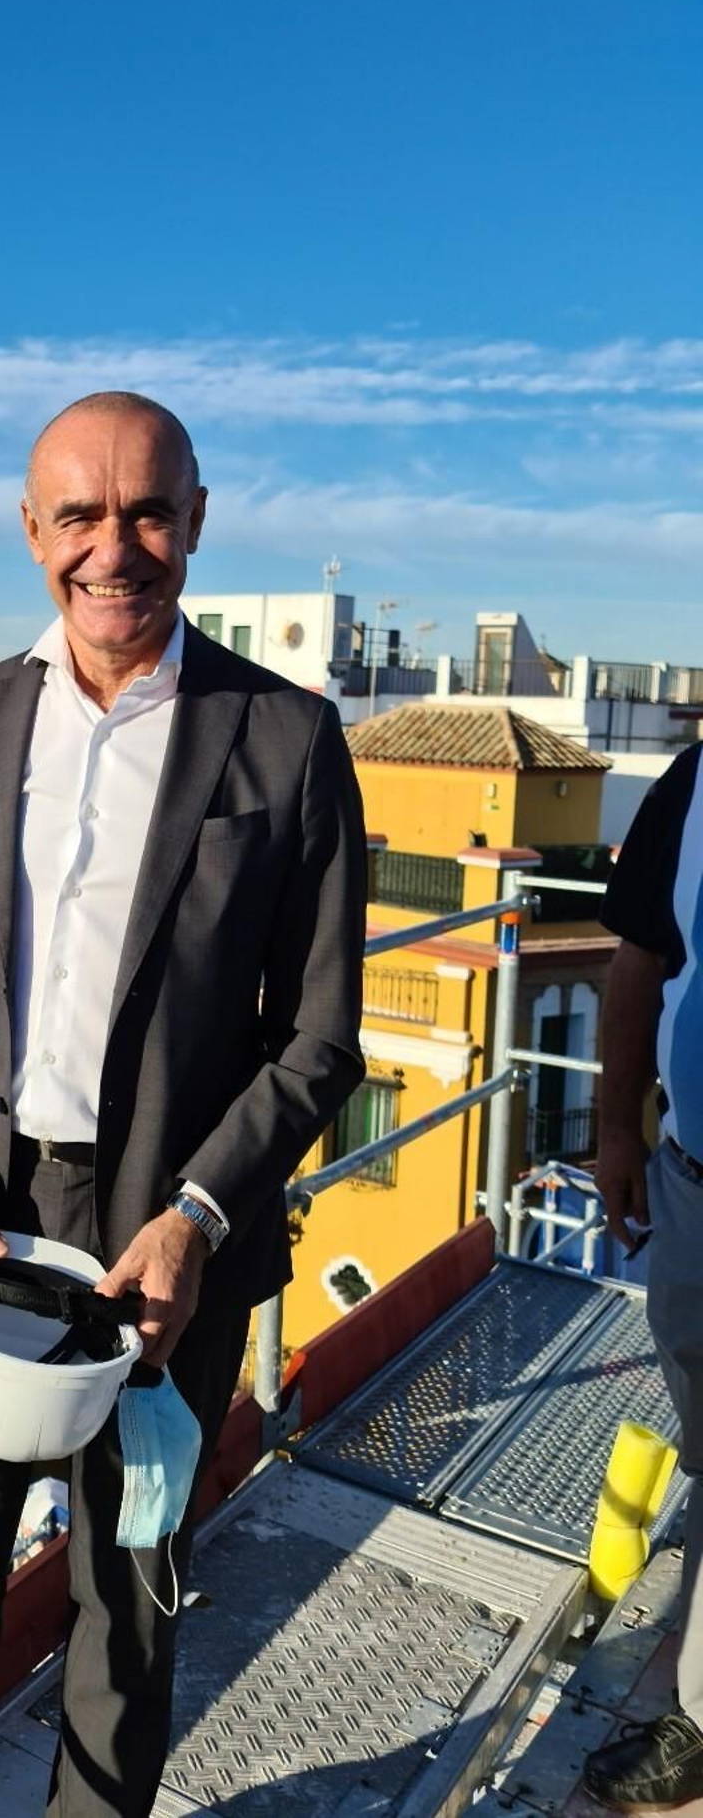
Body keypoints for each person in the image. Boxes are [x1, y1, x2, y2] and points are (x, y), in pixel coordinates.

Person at [0, 391, 367, 1818]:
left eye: (148, 511)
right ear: (33, 533)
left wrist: (203, 1212)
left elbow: (319, 1033)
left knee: (129, 1608)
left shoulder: (285, 740)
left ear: (196, 524)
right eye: (79, 514)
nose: (115, 547)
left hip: (172, 1245)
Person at [583, 740, 703, 1814]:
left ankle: (698, 1721)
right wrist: (614, 1129)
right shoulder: (695, 779)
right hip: (691, 1182)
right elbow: (636, 960)